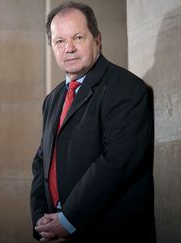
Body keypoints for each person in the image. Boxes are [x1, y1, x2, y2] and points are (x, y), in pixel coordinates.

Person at [30, 2, 155, 242]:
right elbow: (41, 162)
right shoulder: (52, 99)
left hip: (106, 232)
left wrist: (68, 221)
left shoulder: (126, 88)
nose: (69, 48)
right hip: (55, 230)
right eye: (60, 41)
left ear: (97, 40)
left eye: (78, 37)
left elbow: (117, 162)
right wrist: (41, 220)